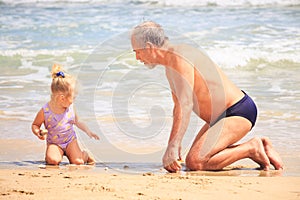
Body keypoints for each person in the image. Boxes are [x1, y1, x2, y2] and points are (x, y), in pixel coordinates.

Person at [131, 21, 283, 173]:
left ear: (149, 47)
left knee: (195, 161)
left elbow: (186, 104)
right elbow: (178, 107)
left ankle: (252, 148)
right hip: (220, 117)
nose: (137, 57)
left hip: (237, 111)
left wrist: (172, 145)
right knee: (196, 159)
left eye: (136, 51)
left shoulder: (180, 57)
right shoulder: (170, 66)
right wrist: (174, 143)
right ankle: (262, 145)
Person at [31, 64, 100, 165]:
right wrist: (38, 132)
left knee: (78, 162)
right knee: (53, 161)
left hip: (70, 141)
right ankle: (56, 154)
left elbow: (78, 121)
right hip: (54, 143)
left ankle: (85, 155)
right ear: (62, 98)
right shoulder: (45, 111)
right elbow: (35, 125)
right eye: (73, 97)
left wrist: (88, 131)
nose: (74, 101)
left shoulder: (70, 108)